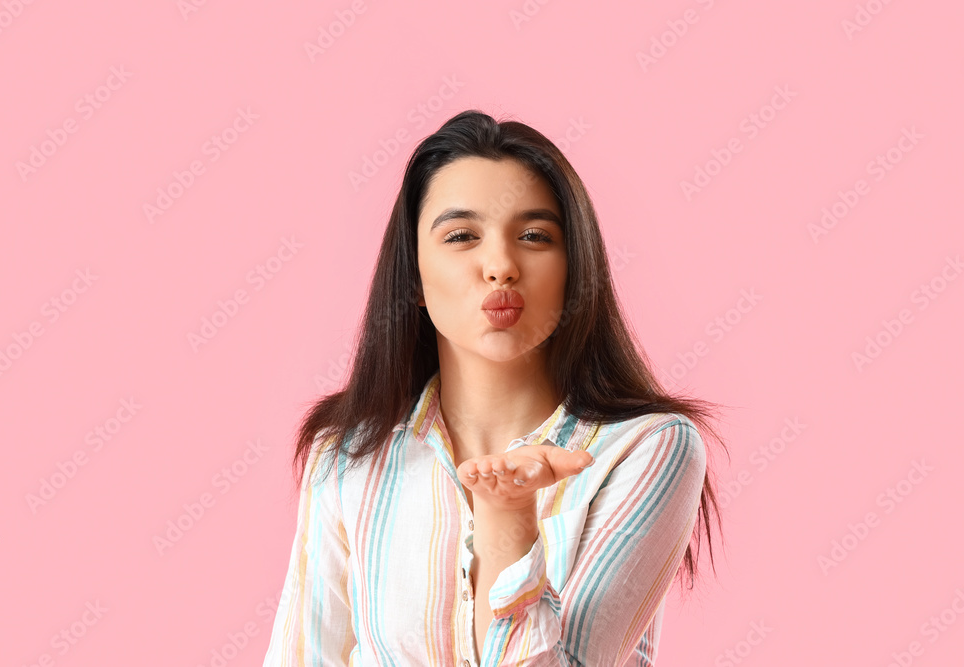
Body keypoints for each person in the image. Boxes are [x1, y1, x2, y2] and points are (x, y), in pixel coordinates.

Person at [262, 109, 727, 666]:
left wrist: (508, 519)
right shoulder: (348, 456)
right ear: (413, 277)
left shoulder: (649, 449)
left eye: (534, 236)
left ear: (575, 268)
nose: (500, 266)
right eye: (462, 236)